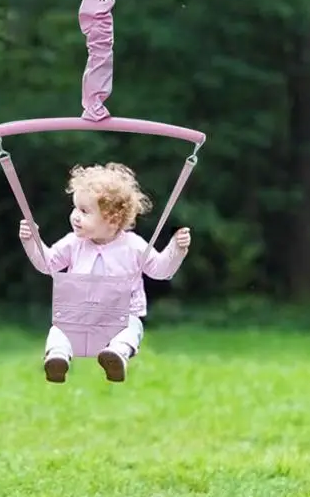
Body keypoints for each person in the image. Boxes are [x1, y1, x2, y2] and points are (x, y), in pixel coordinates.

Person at [18, 162, 191, 383]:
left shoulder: (133, 246)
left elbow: (160, 270)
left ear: (112, 219)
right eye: (75, 208)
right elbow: (47, 263)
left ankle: (116, 355)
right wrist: (32, 240)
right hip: (80, 315)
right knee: (60, 330)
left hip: (121, 316)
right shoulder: (74, 243)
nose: (75, 216)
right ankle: (57, 358)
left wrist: (176, 249)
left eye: (84, 211)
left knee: (131, 327)